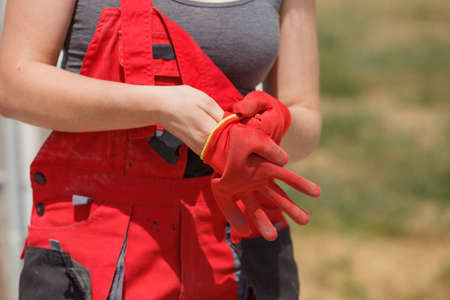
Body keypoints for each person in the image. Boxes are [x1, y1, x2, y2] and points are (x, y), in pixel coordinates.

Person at [0, 0, 321, 299]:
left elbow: (305, 118)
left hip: (238, 244)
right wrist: (159, 106)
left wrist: (269, 129)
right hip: (97, 249)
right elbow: (12, 87)